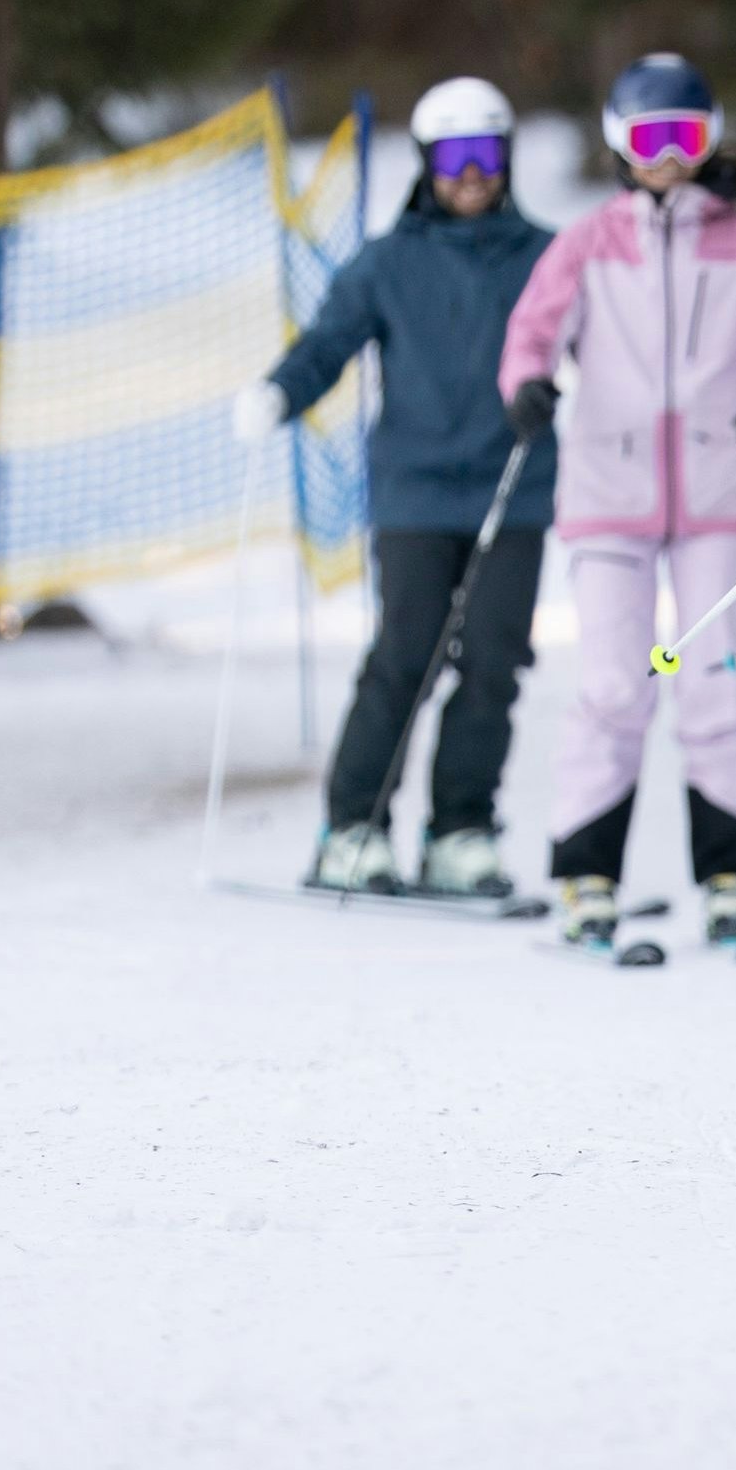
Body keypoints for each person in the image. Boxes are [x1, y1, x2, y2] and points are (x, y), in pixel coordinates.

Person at [500, 54, 736, 959]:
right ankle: (586, 875)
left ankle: (730, 877)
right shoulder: (589, 241)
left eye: (685, 137)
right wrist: (528, 387)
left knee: (714, 685)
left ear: (708, 140)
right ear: (618, 146)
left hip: (718, 492)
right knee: (612, 686)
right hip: (609, 492)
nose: (668, 156)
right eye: (649, 139)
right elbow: (531, 335)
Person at [239, 77, 557, 897]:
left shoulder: (545, 257)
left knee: (492, 665)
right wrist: (280, 393)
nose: (471, 175)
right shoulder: (388, 261)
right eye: (454, 158)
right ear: (425, 164)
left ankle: (460, 833)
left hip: (513, 489)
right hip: (415, 493)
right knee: (403, 659)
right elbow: (327, 343)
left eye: (485, 155)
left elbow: (610, 334)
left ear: (507, 160)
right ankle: (354, 829)